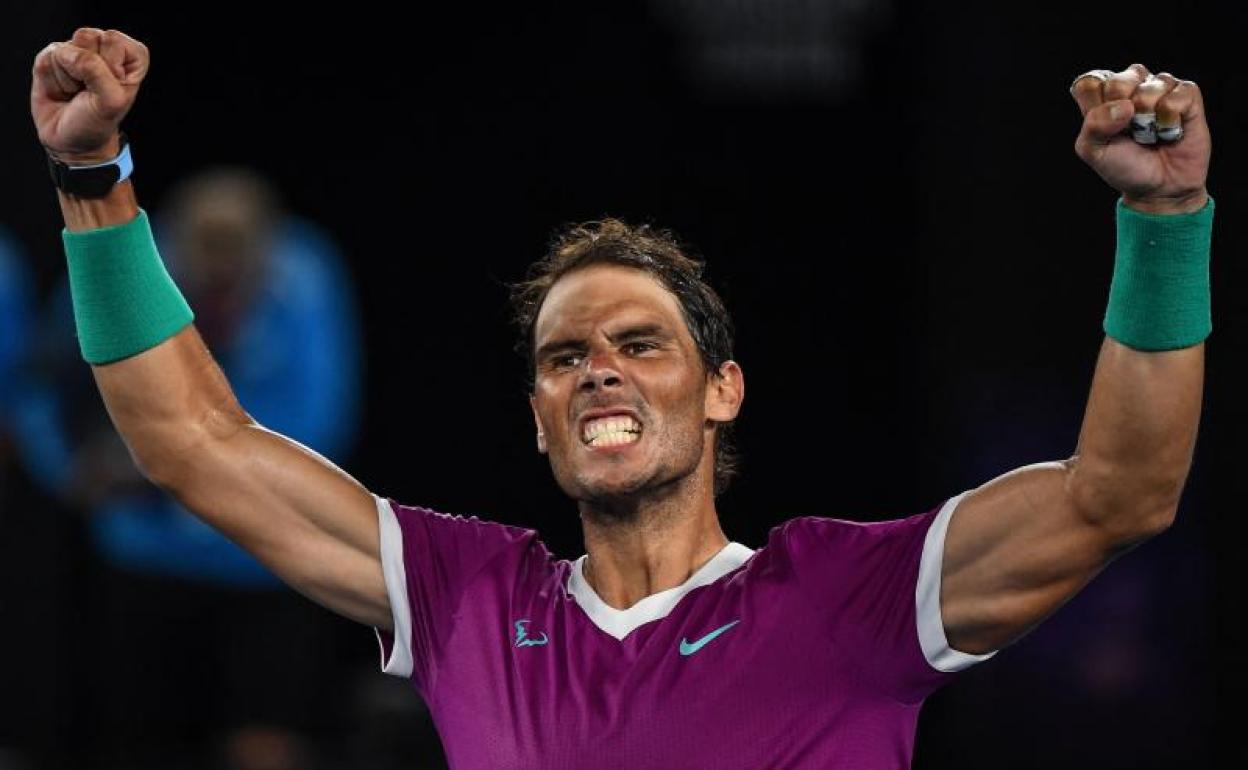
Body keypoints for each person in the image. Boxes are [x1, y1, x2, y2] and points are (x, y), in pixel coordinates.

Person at [29, 28, 1213, 769]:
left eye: (641, 343)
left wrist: (1163, 222)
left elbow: (1120, 491)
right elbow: (192, 442)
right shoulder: (467, 601)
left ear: (722, 391)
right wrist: (93, 183)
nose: (596, 365)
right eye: (562, 357)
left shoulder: (854, 596)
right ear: (537, 420)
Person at [8, 167, 362, 769]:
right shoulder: (120, 269)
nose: (221, 298)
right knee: (145, 739)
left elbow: (322, 416)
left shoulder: (305, 275)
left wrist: (180, 467)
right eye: (206, 282)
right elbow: (43, 385)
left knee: (265, 739)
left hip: (268, 559)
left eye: (235, 285)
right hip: (143, 559)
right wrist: (71, 470)